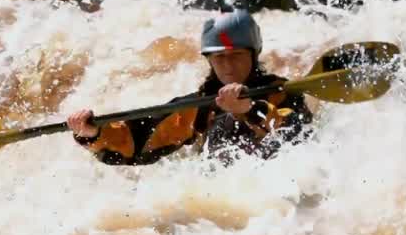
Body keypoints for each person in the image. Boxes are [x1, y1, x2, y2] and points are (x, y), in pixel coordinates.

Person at [65, 9, 312, 166]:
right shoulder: (199, 106)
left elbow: (292, 131)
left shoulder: (283, 92)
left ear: (253, 54)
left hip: (281, 188)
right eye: (219, 58)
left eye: (236, 54)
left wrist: (247, 109)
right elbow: (138, 141)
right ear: (209, 60)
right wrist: (94, 134)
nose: (227, 65)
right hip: (227, 195)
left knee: (230, 122)